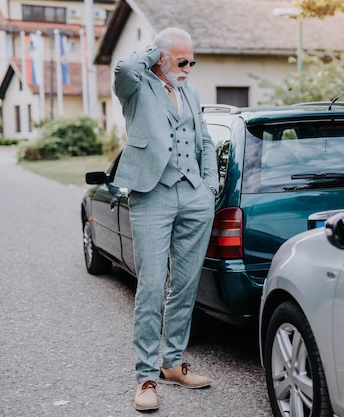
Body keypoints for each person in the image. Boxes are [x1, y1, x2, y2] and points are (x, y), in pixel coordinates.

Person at [112, 28, 219, 412]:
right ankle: (146, 377)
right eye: (181, 61)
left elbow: (204, 139)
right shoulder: (136, 86)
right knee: (152, 286)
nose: (189, 68)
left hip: (193, 195)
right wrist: (151, 52)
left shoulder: (190, 91)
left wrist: (208, 186)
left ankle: (172, 363)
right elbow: (123, 68)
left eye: (193, 61)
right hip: (151, 194)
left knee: (186, 286)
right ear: (160, 57)